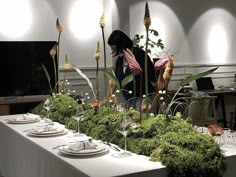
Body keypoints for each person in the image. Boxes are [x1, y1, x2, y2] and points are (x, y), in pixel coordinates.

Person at [107, 30, 156, 103]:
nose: (113, 51)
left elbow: (152, 77)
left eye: (114, 48)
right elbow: (116, 81)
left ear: (121, 45)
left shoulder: (140, 55)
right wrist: (108, 98)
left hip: (143, 100)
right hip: (128, 100)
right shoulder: (120, 60)